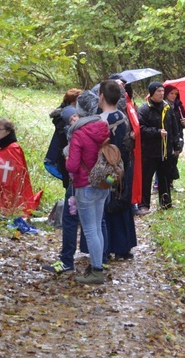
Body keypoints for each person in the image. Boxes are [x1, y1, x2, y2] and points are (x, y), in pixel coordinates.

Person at [65, 104, 111, 284]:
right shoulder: (103, 128)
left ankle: (97, 271)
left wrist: (67, 157)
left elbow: (72, 166)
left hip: (85, 186)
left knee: (90, 230)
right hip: (103, 184)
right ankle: (97, 265)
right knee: (97, 227)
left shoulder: (79, 134)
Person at [42, 96, 82, 275]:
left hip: (76, 183)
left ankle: (67, 261)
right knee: (95, 223)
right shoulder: (97, 126)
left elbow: (67, 163)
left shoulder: (70, 132)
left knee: (70, 220)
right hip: (93, 183)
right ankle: (99, 264)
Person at [99, 80, 137, 261]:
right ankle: (123, 246)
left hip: (107, 170)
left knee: (106, 206)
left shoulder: (100, 120)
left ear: (102, 96)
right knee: (121, 204)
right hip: (123, 167)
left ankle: (104, 248)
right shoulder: (123, 116)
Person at [137, 81, 179, 214]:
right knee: (146, 178)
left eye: (162, 91)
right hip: (149, 151)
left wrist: (176, 144)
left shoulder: (167, 107)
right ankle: (144, 205)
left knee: (165, 178)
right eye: (158, 91)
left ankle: (166, 203)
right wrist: (156, 132)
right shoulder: (144, 109)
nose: (161, 94)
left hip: (165, 151)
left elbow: (173, 127)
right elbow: (141, 129)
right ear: (151, 93)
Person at [164, 84, 185, 188]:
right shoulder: (163, 105)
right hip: (165, 136)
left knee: (175, 158)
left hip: (177, 135)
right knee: (164, 160)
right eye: (171, 93)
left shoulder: (179, 106)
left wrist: (184, 122)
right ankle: (159, 183)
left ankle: (170, 182)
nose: (173, 96)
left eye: (175, 94)